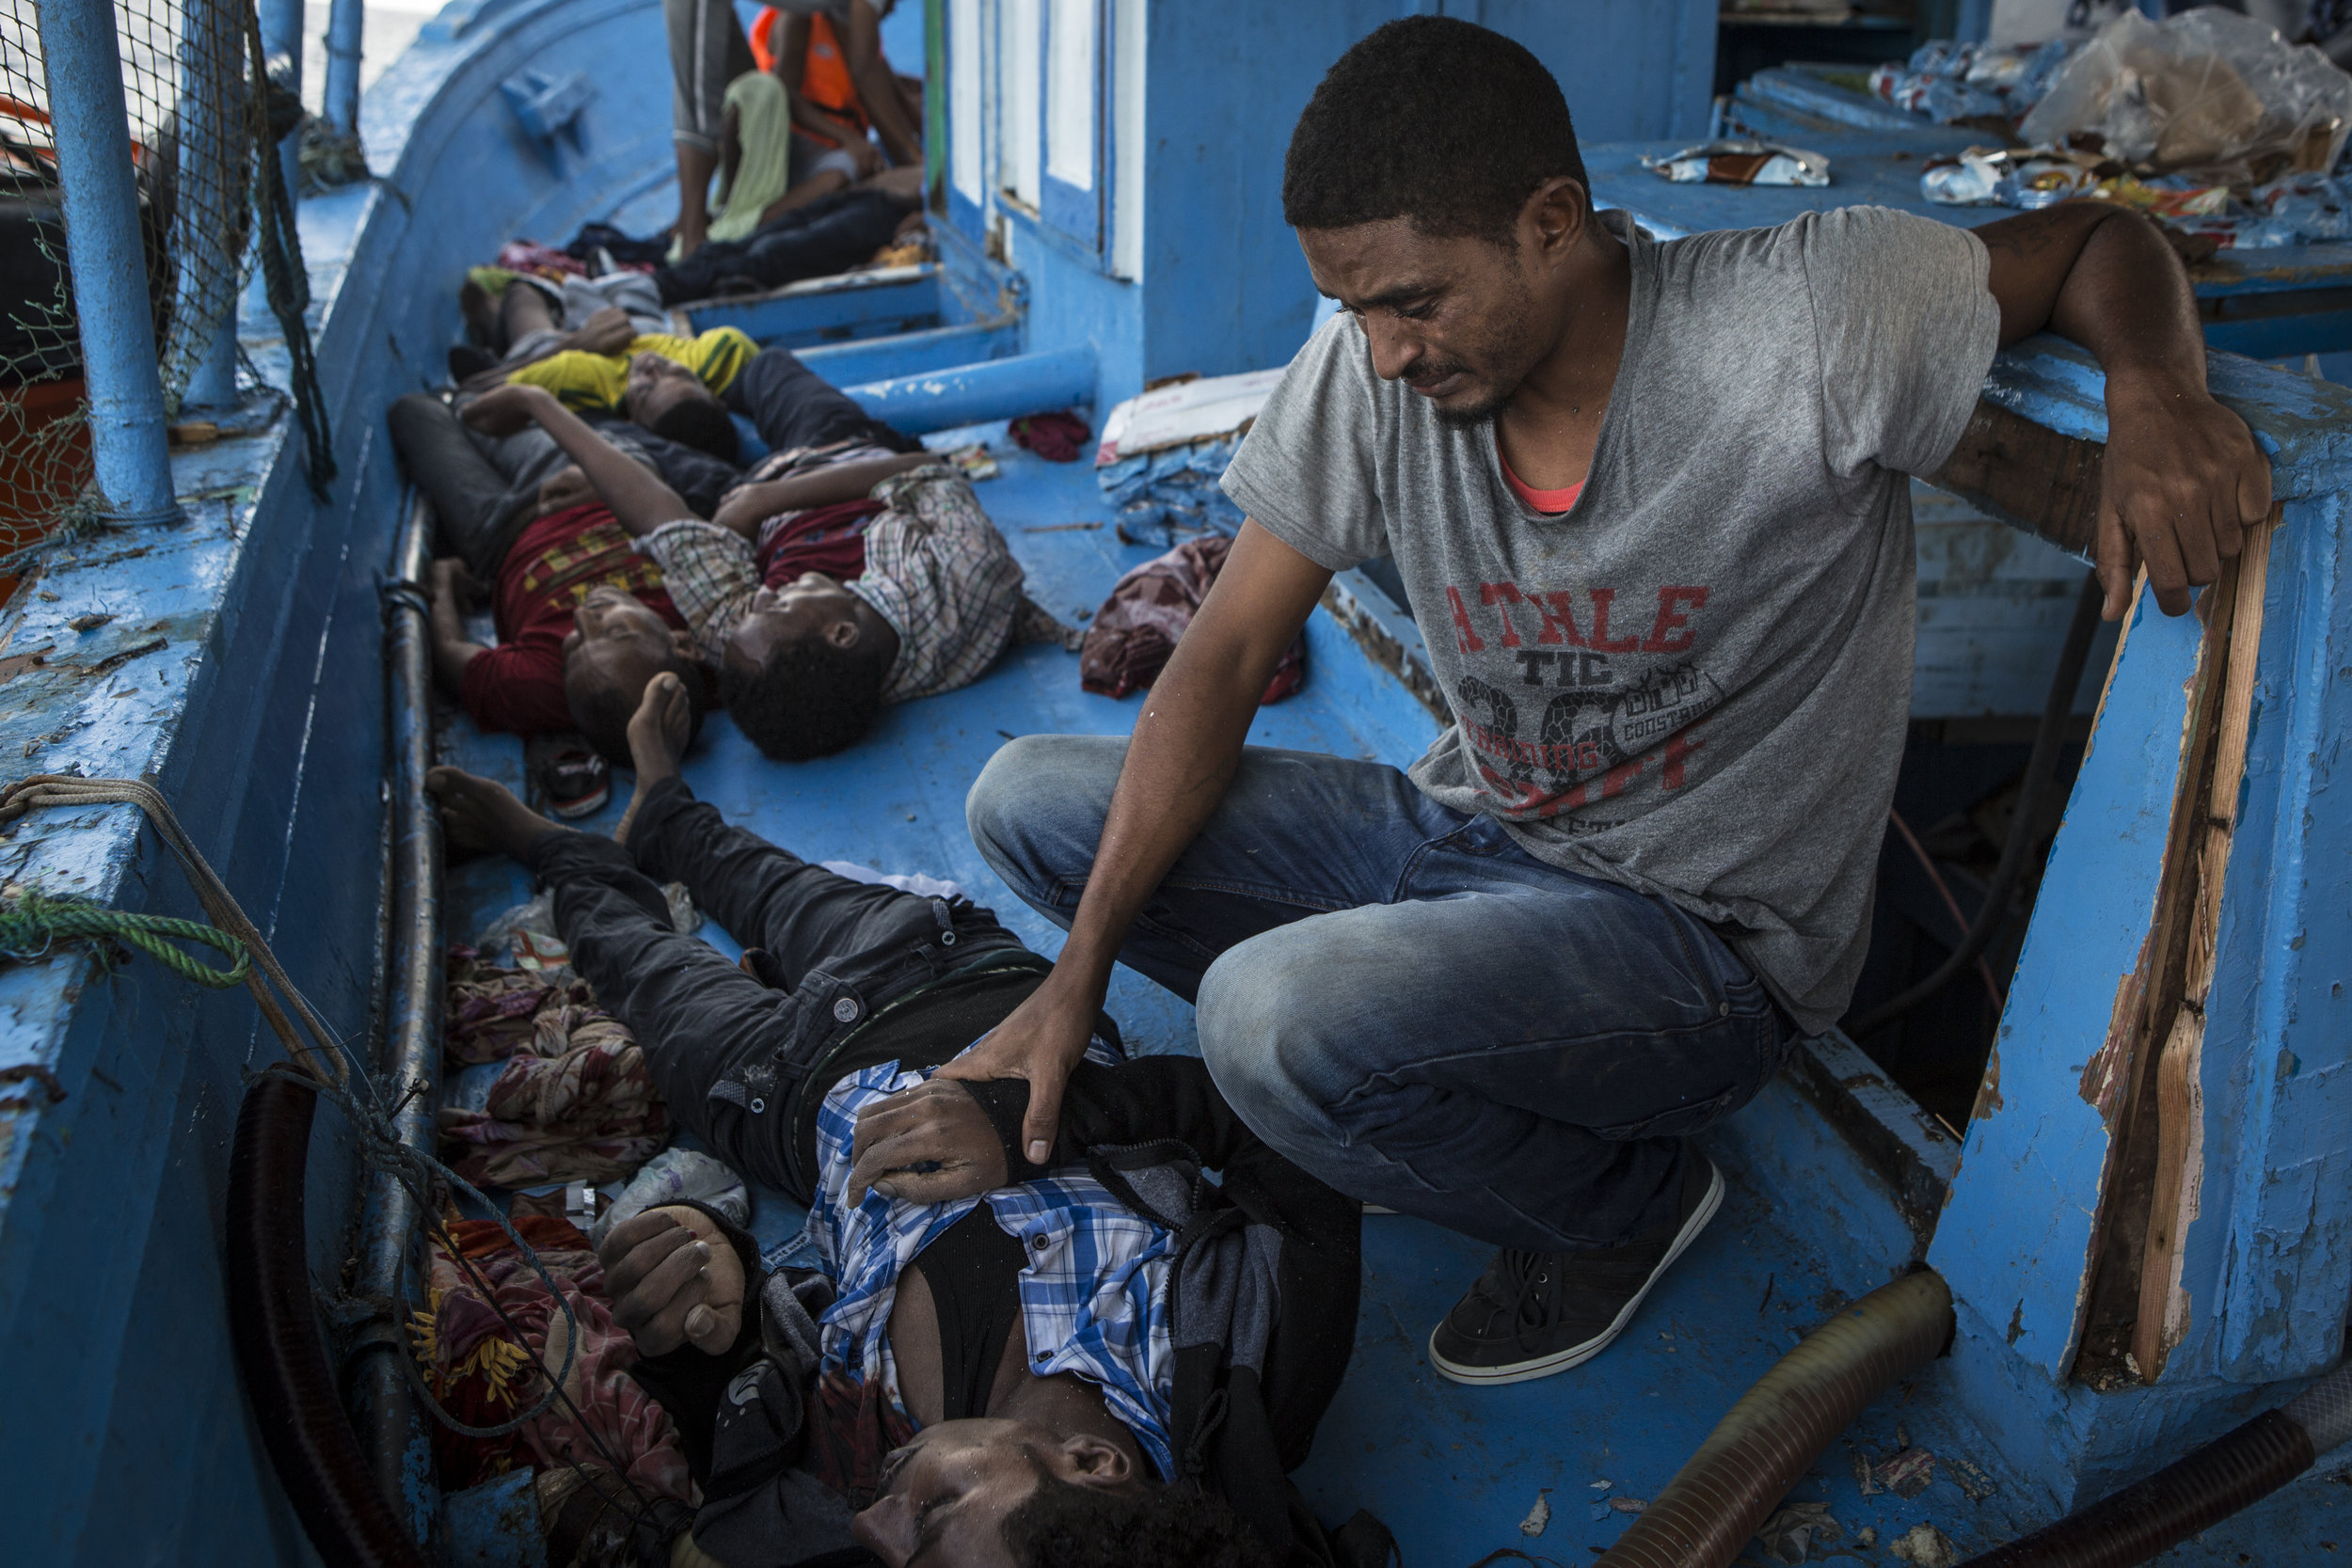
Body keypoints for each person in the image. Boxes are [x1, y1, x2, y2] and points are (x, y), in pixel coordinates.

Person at [952, 16, 2274, 1389]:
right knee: (1028, 802)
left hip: (1696, 940)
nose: (1386, 353)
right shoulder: (1372, 373)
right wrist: (1075, 974)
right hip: (1468, 836)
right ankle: (1413, 1081)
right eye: (1357, 311)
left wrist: (2155, 390)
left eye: (1414, 301)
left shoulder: (1809, 318)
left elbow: (2094, 245)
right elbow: (1221, 658)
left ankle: (1619, 1211)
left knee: (1265, 1022)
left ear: (1552, 221)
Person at [422, 674, 1367, 1568]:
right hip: (949, 982)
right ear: (1092, 1463)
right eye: (936, 1510)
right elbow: (1285, 1126)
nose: (877, 1518)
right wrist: (1028, 1120)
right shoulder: (1245, 1364)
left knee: (628, 959)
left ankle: (554, 844)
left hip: (779, 1101)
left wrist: (715, 1299)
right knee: (743, 871)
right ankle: (661, 796)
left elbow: (738, 1457)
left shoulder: (863, 1459)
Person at [462, 376, 1053, 761]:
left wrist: (539, 401)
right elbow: (927, 470)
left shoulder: (755, 650)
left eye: (764, 602)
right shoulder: (965, 580)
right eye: (776, 603)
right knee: (769, 369)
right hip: (842, 452)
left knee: (626, 437)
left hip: (745, 495)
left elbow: (666, 526)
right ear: (841, 631)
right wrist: (762, 503)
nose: (766, 595)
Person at [389, 393, 712, 764]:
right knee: (477, 410)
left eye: (573, 647)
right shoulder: (704, 613)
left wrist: (442, 578)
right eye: (616, 630)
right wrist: (604, 482)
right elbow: (696, 522)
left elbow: (450, 654)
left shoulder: (546, 686)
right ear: (684, 644)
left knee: (415, 412)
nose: (582, 617)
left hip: (499, 533)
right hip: (588, 487)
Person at [667, 0, 919, 261]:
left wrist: (911, 158)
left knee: (848, 172)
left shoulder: (849, 25)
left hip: (826, 150)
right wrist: (854, 140)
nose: (894, 9)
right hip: (791, 141)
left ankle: (701, 224)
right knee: (716, 97)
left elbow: (880, 82)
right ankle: (704, 235)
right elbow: (856, 72)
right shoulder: (800, 18)